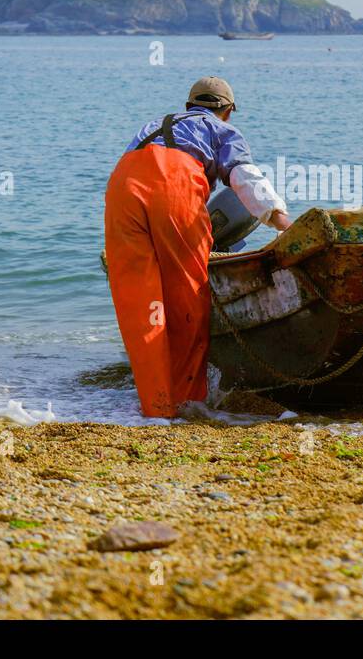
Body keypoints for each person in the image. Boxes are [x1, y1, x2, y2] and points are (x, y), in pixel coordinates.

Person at [104, 76, 293, 417]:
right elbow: (243, 175)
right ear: (228, 112)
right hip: (173, 184)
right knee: (187, 299)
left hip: (122, 186)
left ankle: (154, 406)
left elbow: (142, 163)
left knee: (139, 304)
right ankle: (186, 403)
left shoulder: (153, 125)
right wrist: (280, 219)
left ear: (189, 106)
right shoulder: (221, 130)